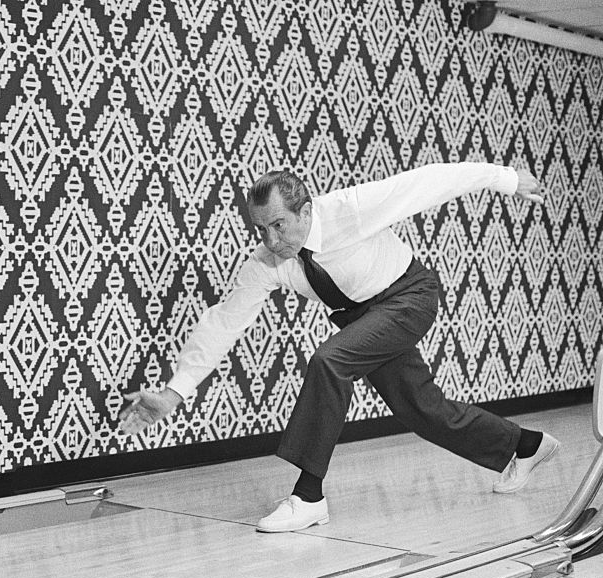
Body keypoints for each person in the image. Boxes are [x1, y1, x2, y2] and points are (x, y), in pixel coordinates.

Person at [118, 162, 560, 532]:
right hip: (363, 318)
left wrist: (505, 179)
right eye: (261, 229)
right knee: (423, 410)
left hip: (408, 295)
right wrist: (173, 393)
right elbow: (224, 321)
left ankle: (308, 496)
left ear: (305, 211)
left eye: (279, 225)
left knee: (329, 361)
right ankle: (525, 445)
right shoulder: (268, 261)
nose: (272, 240)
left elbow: (426, 183)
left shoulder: (349, 210)